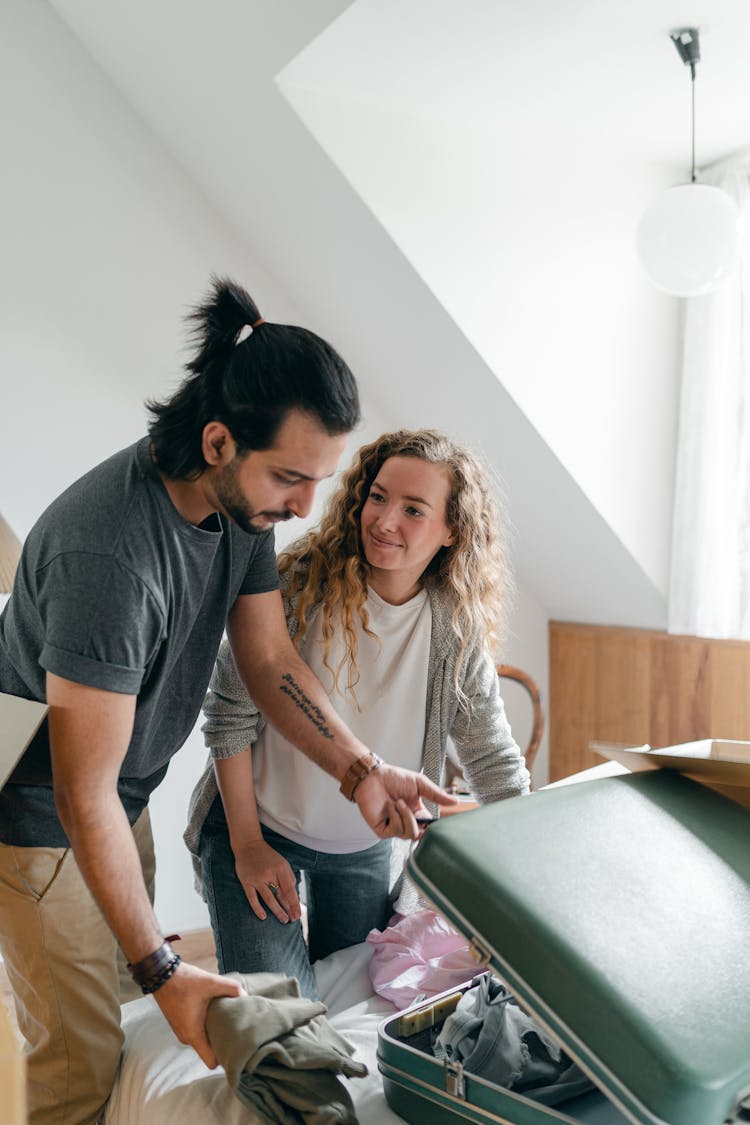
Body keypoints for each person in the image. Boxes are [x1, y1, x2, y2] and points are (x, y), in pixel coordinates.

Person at [0, 280, 454, 1125]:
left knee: (111, 1008)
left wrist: (361, 769)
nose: (307, 507)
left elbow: (271, 658)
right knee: (77, 1062)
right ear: (217, 441)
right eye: (291, 477)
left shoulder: (240, 507)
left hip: (113, 794)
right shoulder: (112, 556)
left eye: (319, 481)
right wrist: (168, 975)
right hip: (39, 817)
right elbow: (78, 793)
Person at [186, 429, 530, 1000]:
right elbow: (228, 720)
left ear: (452, 532)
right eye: (378, 497)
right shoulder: (296, 587)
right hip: (253, 828)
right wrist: (247, 847)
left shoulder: (455, 631)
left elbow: (493, 761)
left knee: (357, 1003)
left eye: (414, 509)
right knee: (283, 1014)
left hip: (362, 851)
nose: (385, 520)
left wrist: (538, 866)